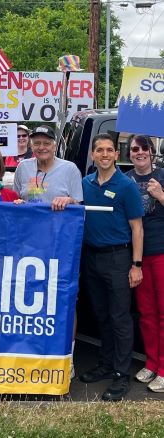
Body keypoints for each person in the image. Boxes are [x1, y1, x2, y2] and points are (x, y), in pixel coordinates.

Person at [79, 133, 144, 402]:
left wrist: (136, 265)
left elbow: (137, 228)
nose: (104, 154)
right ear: (93, 155)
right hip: (92, 258)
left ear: (117, 154)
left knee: (120, 318)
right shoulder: (85, 183)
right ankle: (105, 364)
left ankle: (120, 374)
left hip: (118, 258)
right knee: (101, 315)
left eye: (109, 150)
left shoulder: (126, 186)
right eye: (99, 150)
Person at [125, 134, 164, 392]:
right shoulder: (125, 180)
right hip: (137, 257)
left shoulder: (162, 176)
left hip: (161, 252)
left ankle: (163, 369)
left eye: (143, 148)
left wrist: (161, 195)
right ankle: (151, 363)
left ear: (151, 151)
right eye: (134, 149)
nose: (139, 152)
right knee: (147, 315)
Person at [13, 125, 83, 211]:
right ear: (31, 146)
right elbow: (15, 199)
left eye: (46, 143)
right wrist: (18, 202)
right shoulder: (23, 167)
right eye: (37, 143)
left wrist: (70, 200)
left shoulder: (70, 169)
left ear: (54, 147)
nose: (41, 147)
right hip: (29, 222)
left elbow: (79, 205)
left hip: (58, 223)